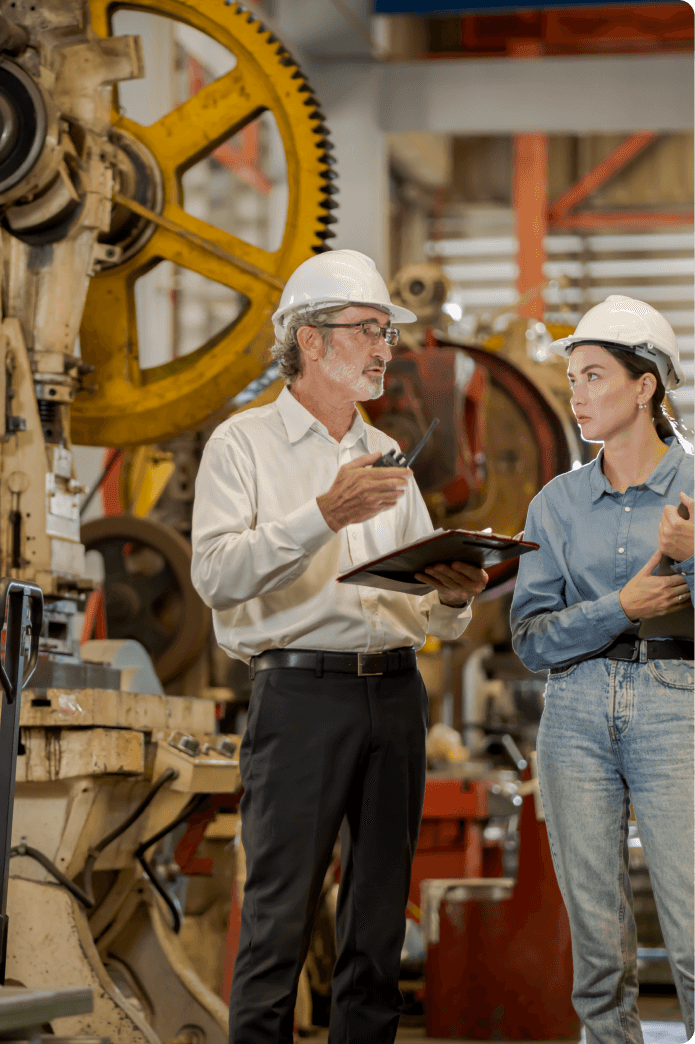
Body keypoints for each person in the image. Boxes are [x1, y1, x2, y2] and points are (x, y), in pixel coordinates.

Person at [190, 249, 488, 1044]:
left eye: (387, 331)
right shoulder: (241, 445)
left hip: (393, 694)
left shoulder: (388, 455)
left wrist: (454, 599)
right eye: (367, 330)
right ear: (310, 340)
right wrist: (322, 514)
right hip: (299, 697)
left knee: (377, 920)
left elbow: (421, 599)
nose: (384, 347)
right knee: (278, 916)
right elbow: (216, 576)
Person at [510, 295, 695, 1044]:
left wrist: (689, 558)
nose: (576, 396)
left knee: (691, 935)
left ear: (644, 384)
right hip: (575, 713)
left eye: (592, 376)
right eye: (572, 381)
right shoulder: (555, 503)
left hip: (675, 704)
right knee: (597, 949)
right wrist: (618, 606)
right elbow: (530, 640)